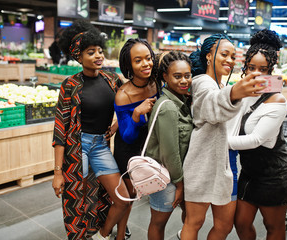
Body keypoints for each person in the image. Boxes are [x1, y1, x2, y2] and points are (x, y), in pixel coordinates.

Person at [181, 33, 267, 240]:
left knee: (224, 224)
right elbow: (212, 105)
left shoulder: (218, 84)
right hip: (201, 165)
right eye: (224, 54)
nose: (229, 60)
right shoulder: (203, 82)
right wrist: (233, 93)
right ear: (209, 56)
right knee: (194, 222)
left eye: (233, 56)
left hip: (223, 164)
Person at [51, 19, 130, 240]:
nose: (98, 56)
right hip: (77, 147)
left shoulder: (112, 79)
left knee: (121, 197)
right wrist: (58, 172)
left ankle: (102, 233)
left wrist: (114, 127)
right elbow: (60, 129)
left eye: (99, 51)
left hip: (101, 146)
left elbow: (130, 102)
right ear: (79, 57)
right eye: (91, 52)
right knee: (78, 197)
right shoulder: (70, 85)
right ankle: (80, 235)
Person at [228, 29, 287, 240]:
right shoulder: (244, 92)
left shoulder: (276, 101)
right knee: (240, 223)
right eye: (251, 68)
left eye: (263, 69)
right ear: (245, 66)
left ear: (271, 70)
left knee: (273, 227)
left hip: (274, 175)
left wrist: (217, 142)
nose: (256, 74)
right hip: (250, 172)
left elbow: (255, 139)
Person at [114, 38, 160, 240]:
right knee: (130, 194)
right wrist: (136, 115)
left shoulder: (157, 82)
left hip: (149, 142)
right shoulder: (123, 95)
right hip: (128, 146)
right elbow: (127, 136)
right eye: (138, 60)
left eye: (148, 58)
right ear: (129, 65)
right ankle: (120, 234)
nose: (146, 64)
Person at [145, 51, 193, 240]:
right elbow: (169, 154)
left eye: (187, 76)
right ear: (165, 77)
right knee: (158, 223)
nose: (184, 81)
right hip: (167, 179)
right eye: (178, 76)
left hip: (177, 176)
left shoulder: (181, 101)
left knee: (190, 217)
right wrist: (180, 185)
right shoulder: (168, 107)